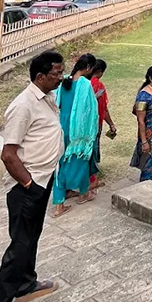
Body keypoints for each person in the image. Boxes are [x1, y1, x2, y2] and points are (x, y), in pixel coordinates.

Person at [0, 51, 65, 302]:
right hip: (27, 186)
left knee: (32, 236)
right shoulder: (23, 105)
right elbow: (8, 155)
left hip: (42, 180)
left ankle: (25, 284)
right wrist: (30, 186)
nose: (61, 76)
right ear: (40, 77)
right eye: (56, 73)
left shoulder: (47, 98)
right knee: (19, 245)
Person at [51, 56, 99, 216]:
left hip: (61, 126)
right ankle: (83, 193)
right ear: (87, 68)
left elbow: (57, 103)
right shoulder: (85, 84)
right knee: (81, 160)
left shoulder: (64, 81)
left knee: (59, 163)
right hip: (78, 130)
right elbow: (91, 110)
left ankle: (59, 202)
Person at [90, 58, 117, 191]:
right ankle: (92, 180)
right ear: (100, 72)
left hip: (80, 125)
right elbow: (103, 109)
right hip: (94, 124)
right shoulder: (98, 86)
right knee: (93, 149)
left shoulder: (80, 82)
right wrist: (111, 124)